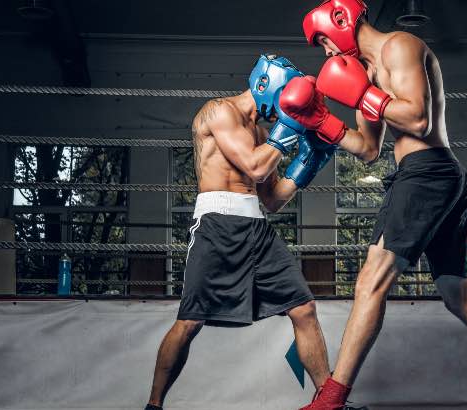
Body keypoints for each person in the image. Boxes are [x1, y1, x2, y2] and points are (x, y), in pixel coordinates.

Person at [279, 1, 467, 409]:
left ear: (339, 22)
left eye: (323, 42)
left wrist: (363, 95)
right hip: (438, 178)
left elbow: (419, 120)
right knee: (457, 294)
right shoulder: (366, 74)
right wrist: (322, 121)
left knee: (369, 282)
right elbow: (370, 149)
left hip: (427, 172)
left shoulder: (400, 46)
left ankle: (330, 401)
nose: (326, 54)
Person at [144, 54, 335, 410]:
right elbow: (253, 165)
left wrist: (306, 167)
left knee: (304, 308)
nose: (285, 113)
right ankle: (154, 405)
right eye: (286, 104)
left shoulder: (263, 133)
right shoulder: (219, 111)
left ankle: (328, 401)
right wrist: (288, 135)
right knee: (190, 322)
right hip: (216, 223)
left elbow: (273, 200)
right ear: (268, 87)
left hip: (257, 229)